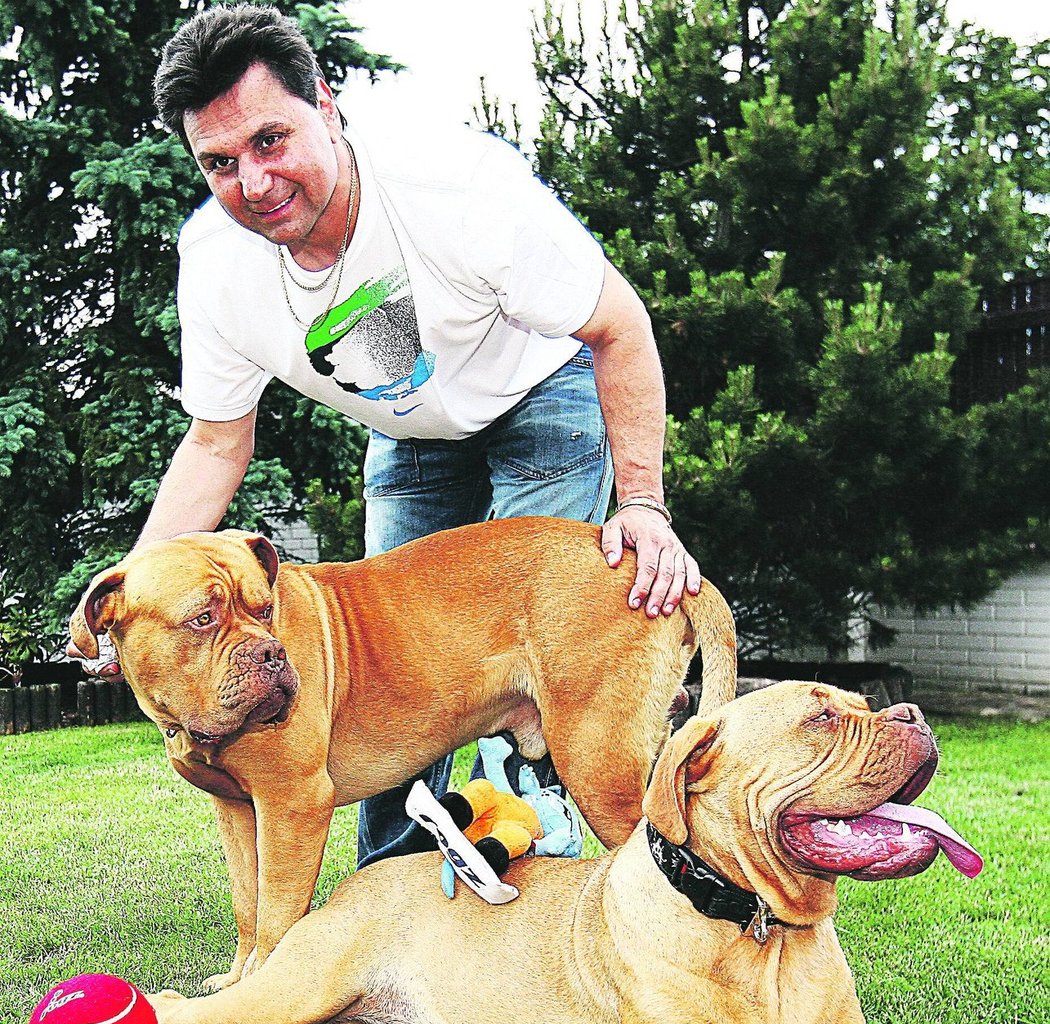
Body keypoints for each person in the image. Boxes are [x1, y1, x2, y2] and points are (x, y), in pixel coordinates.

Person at [92, 3, 701, 869]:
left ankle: (551, 885)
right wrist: (131, 589)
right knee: (387, 671)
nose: (253, 183)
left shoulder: (453, 186)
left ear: (328, 106)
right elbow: (216, 444)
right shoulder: (220, 264)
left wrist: (643, 501)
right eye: (219, 163)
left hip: (541, 389)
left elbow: (620, 327)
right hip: (412, 427)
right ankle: (389, 892)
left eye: (271, 141)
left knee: (523, 664)